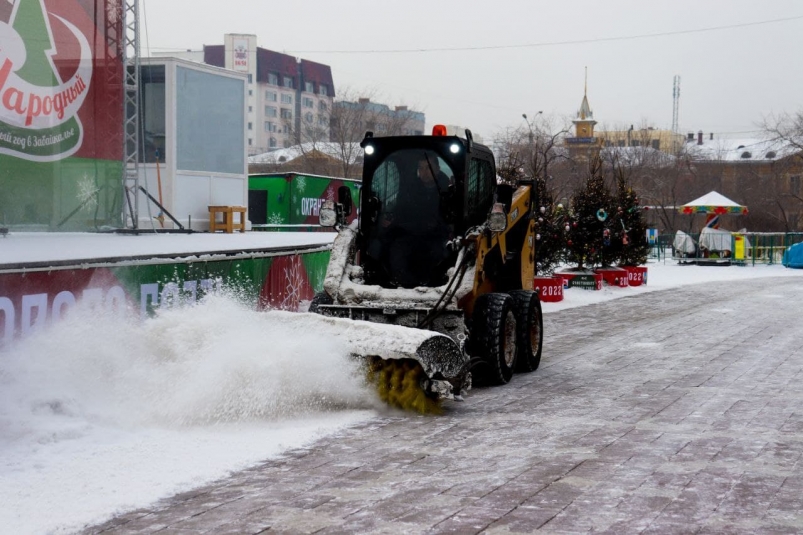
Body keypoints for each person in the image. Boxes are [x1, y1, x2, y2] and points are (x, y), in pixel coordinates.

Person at [385, 154, 454, 287]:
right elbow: (400, 210)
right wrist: (390, 219)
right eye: (421, 168)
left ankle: (434, 284)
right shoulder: (410, 190)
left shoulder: (449, 191)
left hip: (438, 235)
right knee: (396, 248)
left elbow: (451, 217)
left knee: (439, 252)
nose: (424, 172)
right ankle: (402, 285)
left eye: (428, 168)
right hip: (411, 233)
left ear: (438, 169)